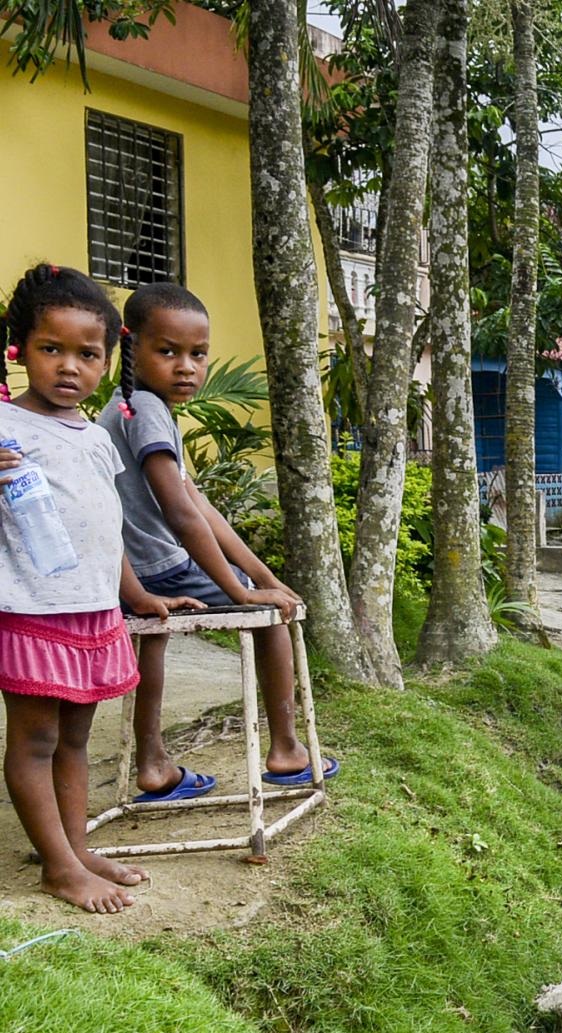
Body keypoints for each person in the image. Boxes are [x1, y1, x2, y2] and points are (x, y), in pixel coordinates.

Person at [0, 263, 202, 914]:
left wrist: (136, 593)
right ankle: (59, 867)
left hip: (94, 613)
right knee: (34, 741)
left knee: (76, 742)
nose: (69, 366)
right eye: (50, 348)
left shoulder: (95, 440)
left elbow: (104, 527)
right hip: (31, 608)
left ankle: (76, 845)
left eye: (87, 354)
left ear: (107, 358)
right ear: (19, 350)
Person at [99, 282, 328, 799]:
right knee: (271, 619)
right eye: (168, 351)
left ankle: (154, 762)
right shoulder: (144, 411)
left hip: (133, 574)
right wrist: (246, 593)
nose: (187, 367)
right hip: (158, 566)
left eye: (198, 354)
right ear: (131, 345)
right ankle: (287, 749)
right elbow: (182, 515)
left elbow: (201, 506)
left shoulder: (131, 406)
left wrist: (263, 575)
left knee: (154, 641)